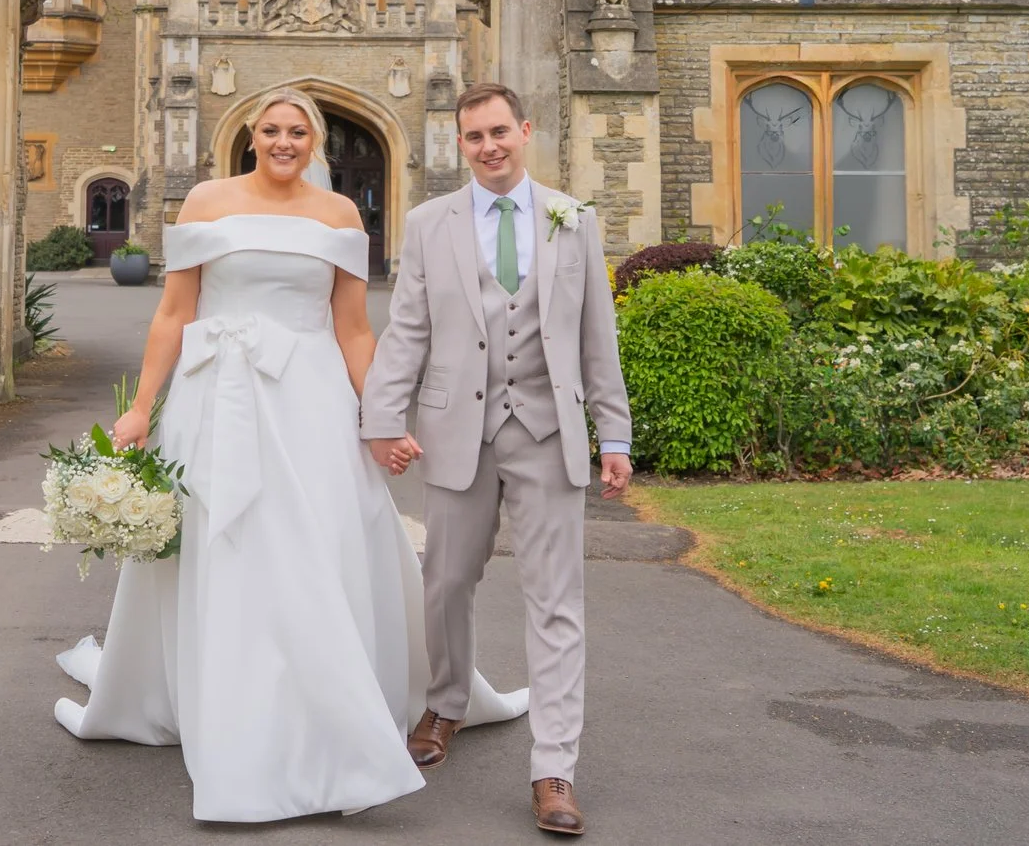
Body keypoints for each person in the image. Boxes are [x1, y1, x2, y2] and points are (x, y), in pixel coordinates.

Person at [51, 87, 524, 822]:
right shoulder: (207, 200)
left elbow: (354, 330)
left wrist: (381, 416)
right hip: (215, 399)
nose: (282, 140)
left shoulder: (338, 214)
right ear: (250, 135)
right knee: (226, 550)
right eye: (269, 128)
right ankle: (233, 711)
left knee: (312, 545)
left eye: (296, 130)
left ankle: (324, 710)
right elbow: (174, 312)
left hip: (308, 399)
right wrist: (142, 406)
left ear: (316, 140)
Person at [361, 81, 634, 838]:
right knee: (445, 580)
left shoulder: (573, 220)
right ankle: (446, 703)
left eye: (499, 132)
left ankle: (554, 767)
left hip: (548, 433)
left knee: (556, 601)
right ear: (461, 143)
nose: (488, 147)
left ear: (525, 129)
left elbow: (596, 337)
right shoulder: (428, 223)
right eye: (474, 136)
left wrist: (615, 434)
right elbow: (407, 329)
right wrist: (382, 418)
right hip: (457, 431)